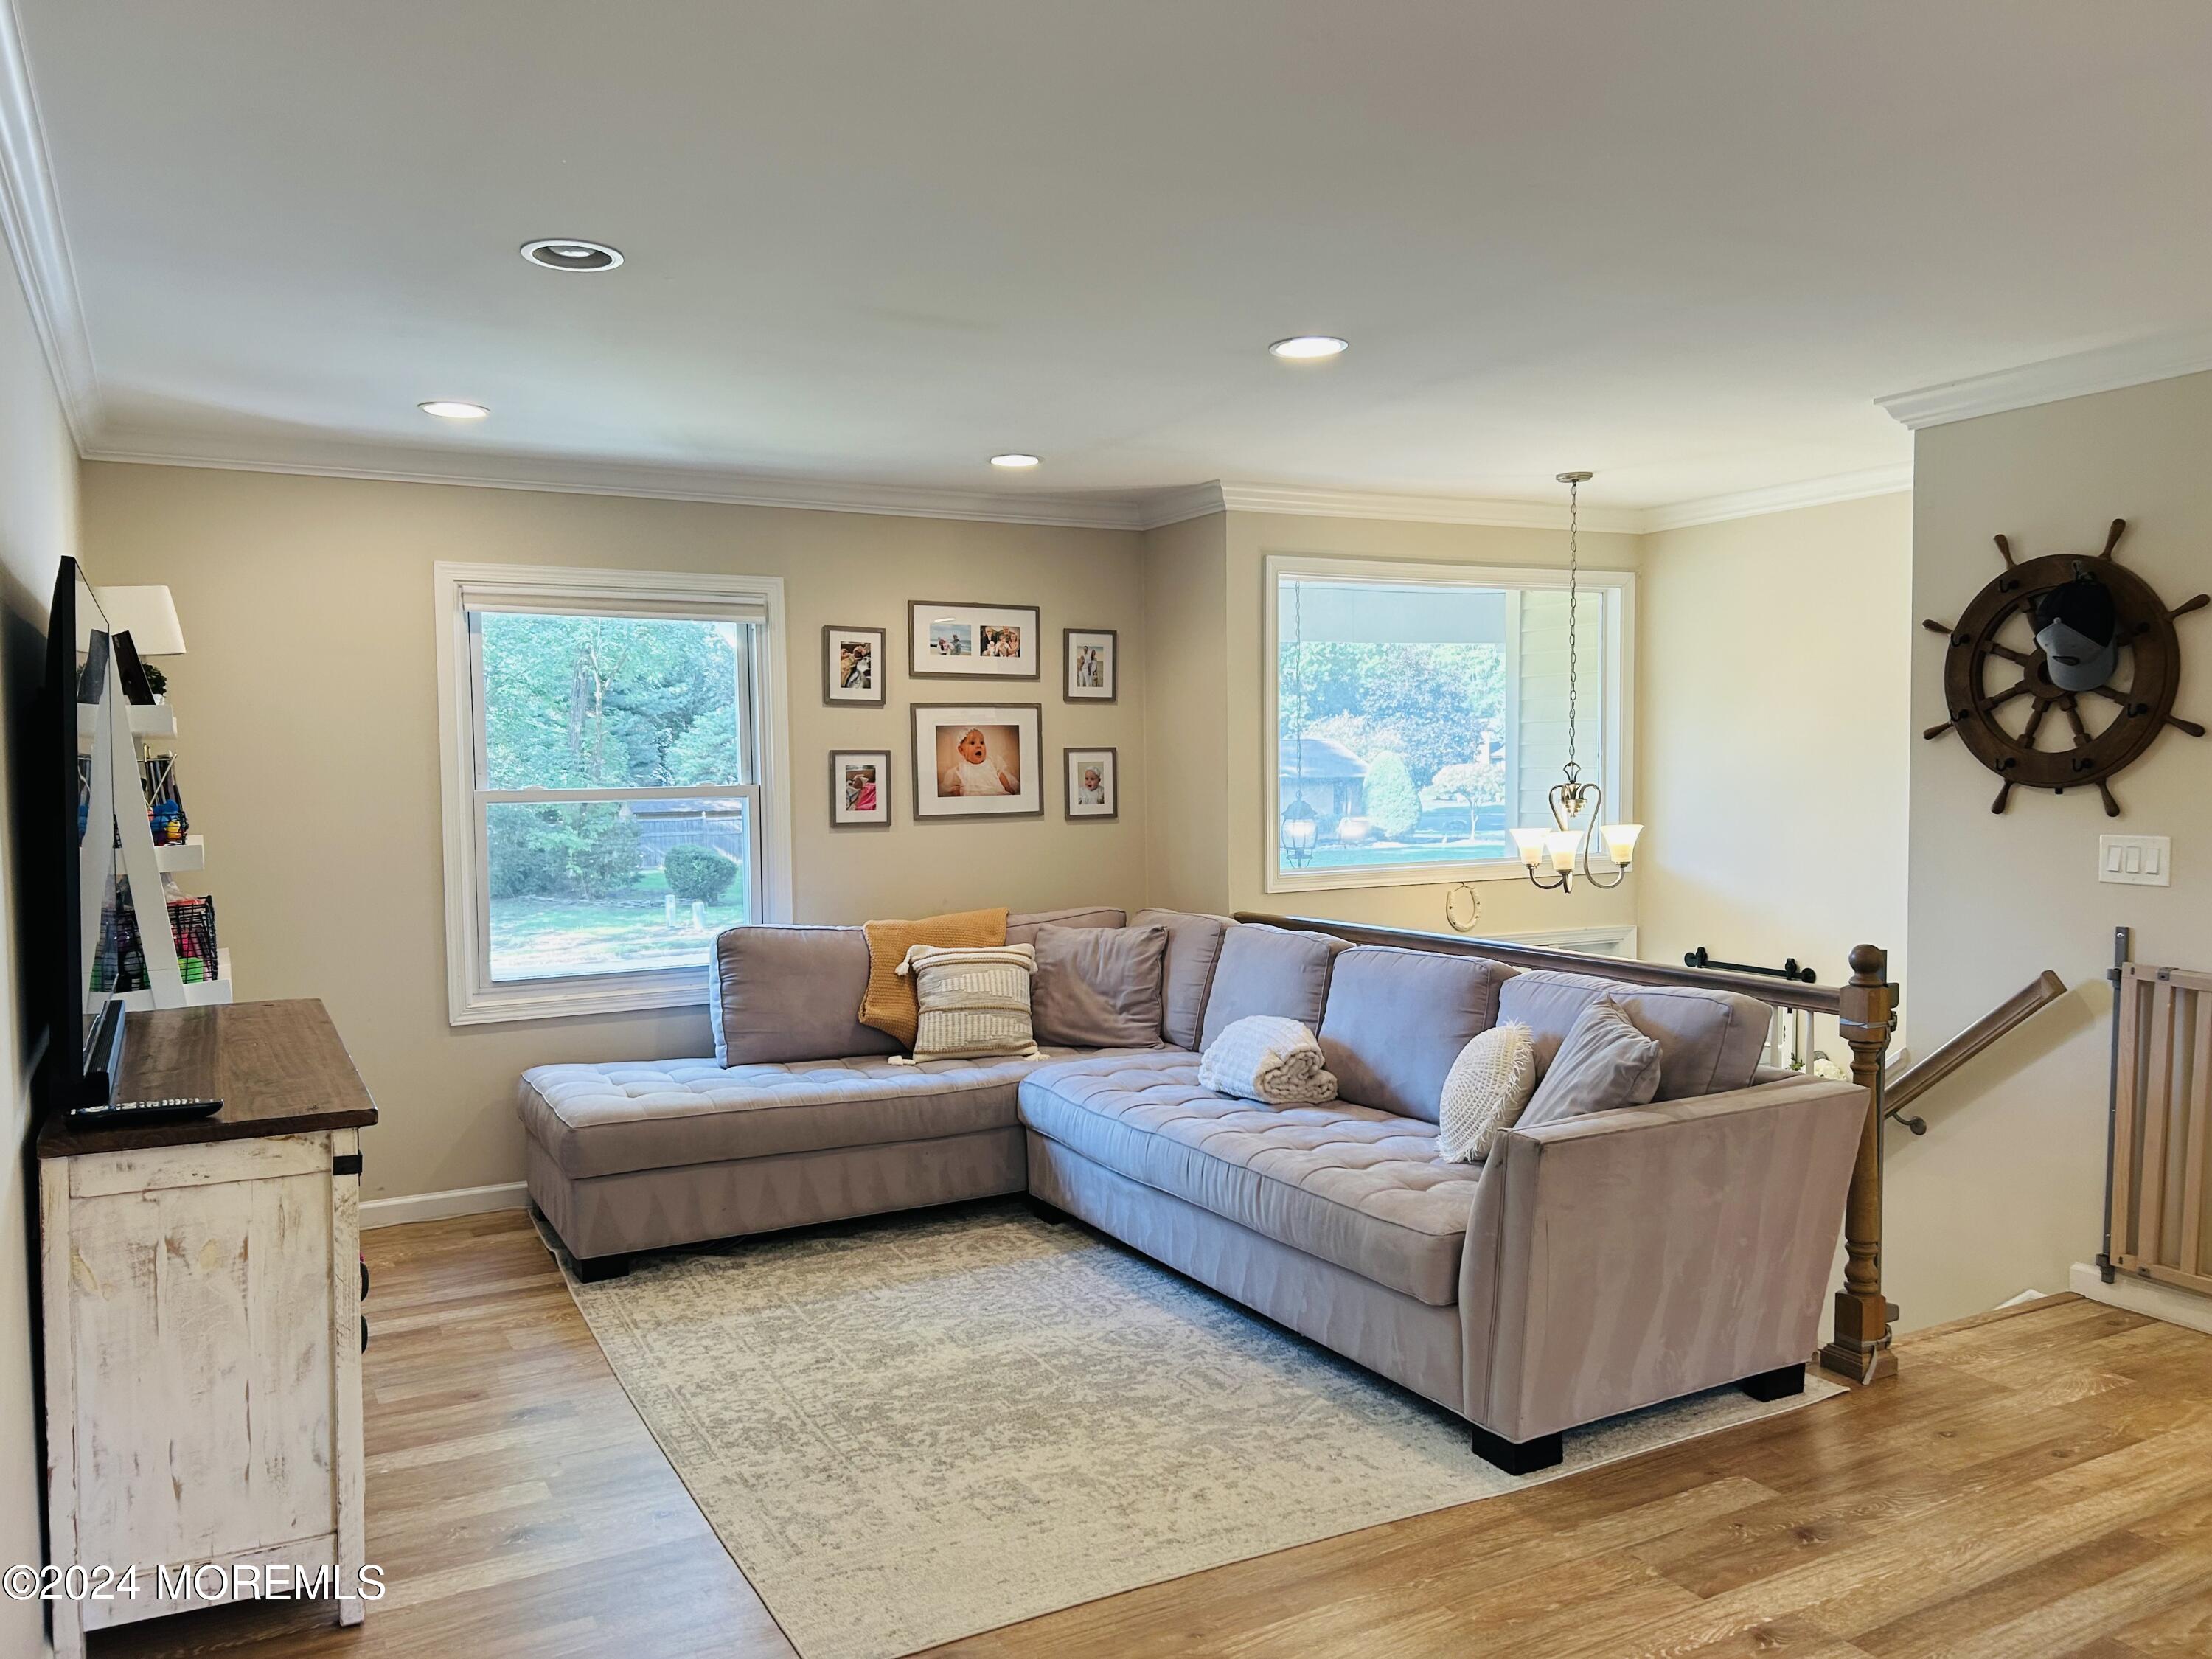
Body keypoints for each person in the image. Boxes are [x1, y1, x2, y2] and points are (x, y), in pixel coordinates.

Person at [941, 728, 1015, 796]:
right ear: (962, 750)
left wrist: (1007, 787)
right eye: (972, 743)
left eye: (982, 743)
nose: (979, 746)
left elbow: (1000, 775)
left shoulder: (991, 763)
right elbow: (955, 787)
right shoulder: (960, 770)